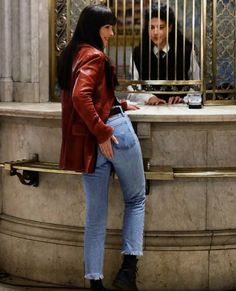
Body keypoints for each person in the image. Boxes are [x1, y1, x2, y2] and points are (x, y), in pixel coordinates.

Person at [57, 4, 146, 291]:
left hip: (89, 145)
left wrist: (118, 102)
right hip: (114, 134)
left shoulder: (73, 54)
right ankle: (128, 273)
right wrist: (104, 131)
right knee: (135, 199)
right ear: (93, 27)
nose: (111, 33)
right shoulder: (94, 56)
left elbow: (89, 97)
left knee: (96, 215)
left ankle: (95, 284)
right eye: (107, 27)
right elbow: (81, 96)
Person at [128, 3, 200, 105]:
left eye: (160, 27)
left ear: (170, 28)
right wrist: (148, 97)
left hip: (180, 110)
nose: (155, 32)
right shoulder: (138, 53)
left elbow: (197, 83)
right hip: (149, 110)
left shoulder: (186, 51)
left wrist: (184, 99)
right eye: (152, 27)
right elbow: (132, 87)